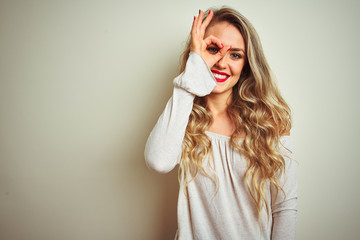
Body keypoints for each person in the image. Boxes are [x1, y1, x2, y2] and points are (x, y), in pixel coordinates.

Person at [145, 7, 297, 240]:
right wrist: (194, 68)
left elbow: (284, 207)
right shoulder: (183, 116)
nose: (222, 63)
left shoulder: (269, 122)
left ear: (247, 64)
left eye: (235, 55)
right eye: (213, 49)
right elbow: (158, 161)